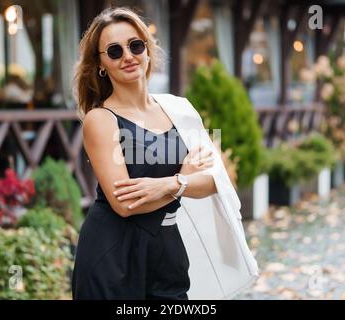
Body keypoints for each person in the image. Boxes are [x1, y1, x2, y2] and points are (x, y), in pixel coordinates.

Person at [71, 7, 217, 300]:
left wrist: (169, 184)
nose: (127, 56)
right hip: (113, 254)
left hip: (167, 248)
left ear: (148, 51)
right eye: (114, 51)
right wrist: (183, 181)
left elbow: (214, 181)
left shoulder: (178, 109)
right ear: (101, 65)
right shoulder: (100, 119)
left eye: (135, 45)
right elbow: (125, 204)